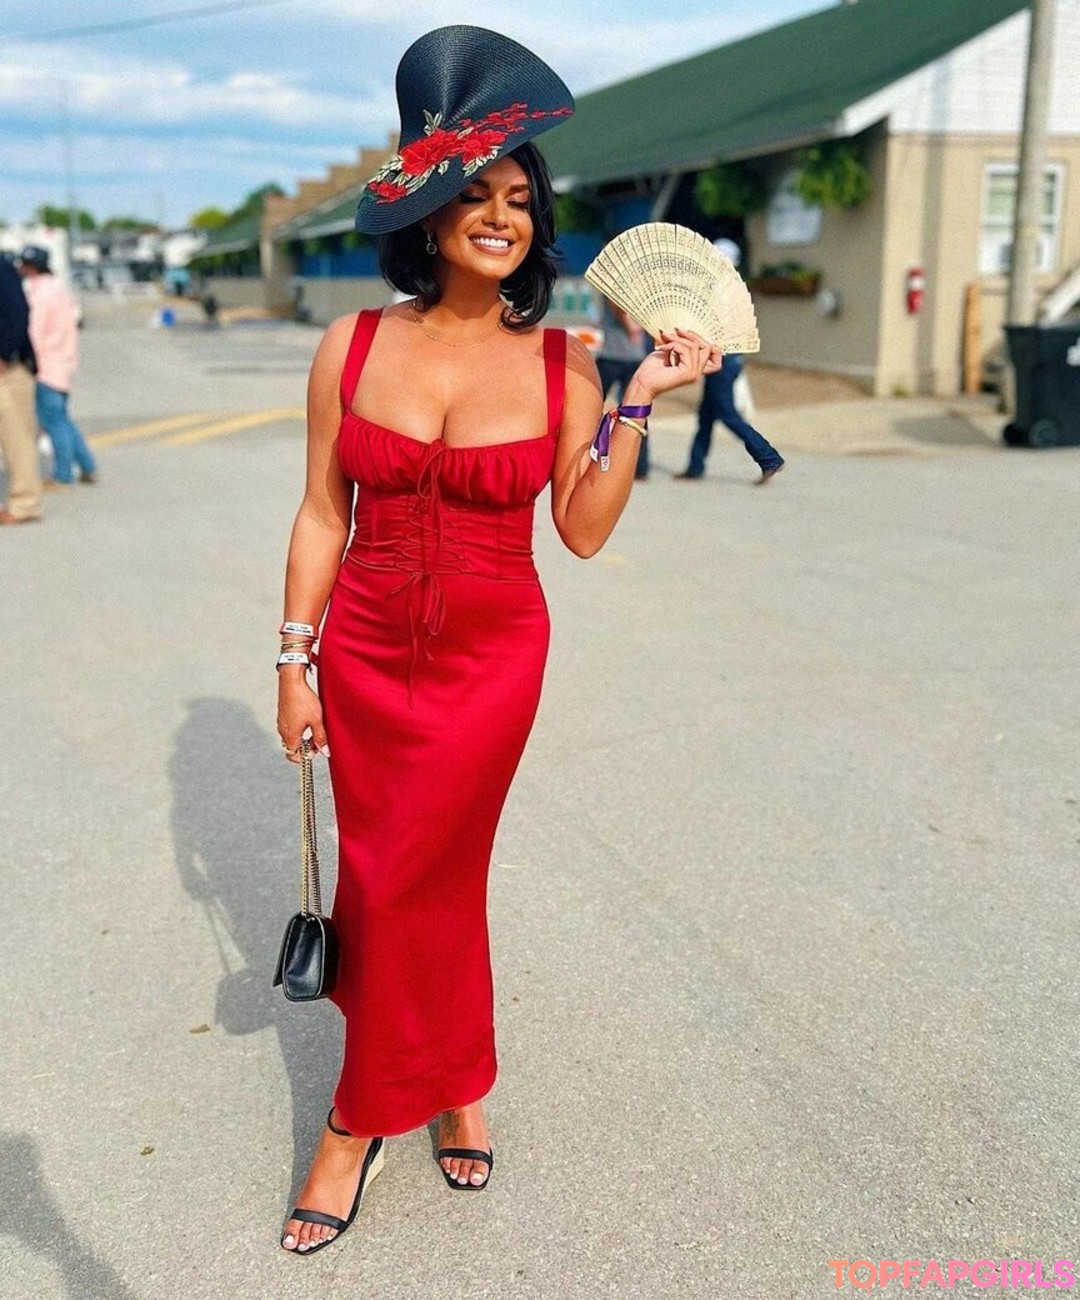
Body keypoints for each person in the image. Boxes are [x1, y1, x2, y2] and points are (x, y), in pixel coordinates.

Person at [274, 25, 720, 1258]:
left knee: (419, 871)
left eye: (520, 200)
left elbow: (581, 527)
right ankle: (459, 1074)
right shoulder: (352, 346)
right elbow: (319, 514)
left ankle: (355, 1120)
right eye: (476, 195)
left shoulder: (566, 361)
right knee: (394, 877)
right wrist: (293, 661)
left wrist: (638, 400)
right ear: (427, 215)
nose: (501, 217)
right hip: (364, 651)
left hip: (489, 661)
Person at [676, 238, 784, 484]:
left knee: (727, 414)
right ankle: (695, 466)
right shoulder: (734, 288)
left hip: (723, 360)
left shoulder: (722, 291)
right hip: (729, 360)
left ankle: (768, 457)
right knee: (706, 415)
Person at [17, 246, 98, 489]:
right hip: (64, 362)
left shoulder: (38, 294)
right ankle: (87, 466)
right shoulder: (60, 289)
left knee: (53, 421)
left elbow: (34, 332)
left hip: (45, 365)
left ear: (31, 267)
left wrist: (24, 361)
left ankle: (63, 475)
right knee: (62, 418)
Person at [0, 254, 43, 525]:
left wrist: (4, 355)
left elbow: (17, 313)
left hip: (9, 371)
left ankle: (25, 504)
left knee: (16, 438)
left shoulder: (1, 268)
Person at [595, 300, 651, 479]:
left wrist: (630, 326)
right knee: (636, 411)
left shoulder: (617, 288)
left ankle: (639, 465)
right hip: (627, 355)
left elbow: (617, 305)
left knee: (590, 406)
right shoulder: (638, 291)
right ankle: (640, 467)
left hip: (614, 355)